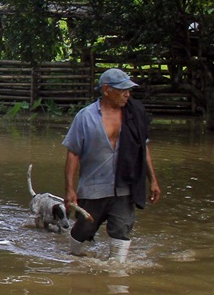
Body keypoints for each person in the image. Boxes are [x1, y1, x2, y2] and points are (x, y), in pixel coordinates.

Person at [62, 67, 162, 263]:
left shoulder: (134, 115)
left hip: (125, 184)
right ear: (106, 89)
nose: (128, 94)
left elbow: (144, 149)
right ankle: (74, 261)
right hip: (93, 187)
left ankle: (118, 278)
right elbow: (73, 153)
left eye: (129, 90)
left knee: (122, 229)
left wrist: (153, 181)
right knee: (84, 228)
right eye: (123, 90)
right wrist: (70, 189)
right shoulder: (85, 117)